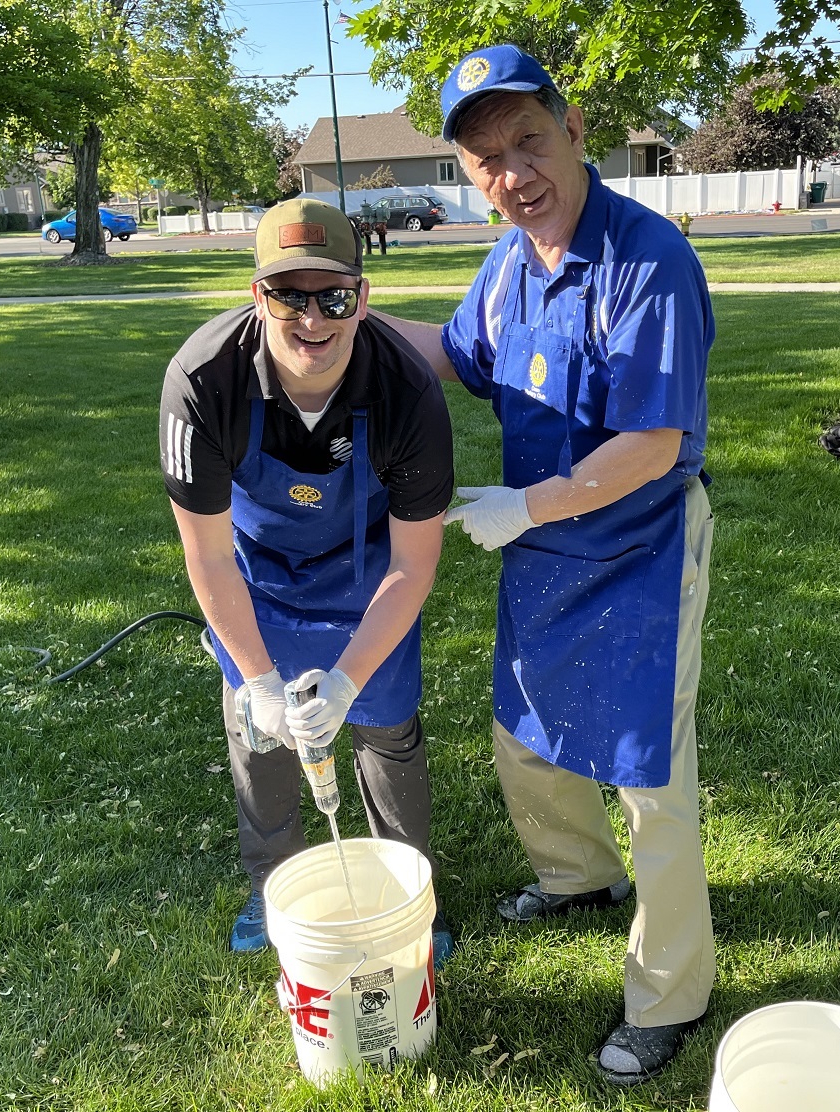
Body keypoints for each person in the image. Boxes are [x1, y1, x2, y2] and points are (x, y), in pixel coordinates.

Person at [371, 44, 715, 1084]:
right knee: (525, 736)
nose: (510, 170)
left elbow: (652, 442)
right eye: (484, 155)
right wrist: (331, 319)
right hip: (541, 543)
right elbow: (452, 355)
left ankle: (673, 992)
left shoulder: (645, 258)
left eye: (525, 138)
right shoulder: (508, 260)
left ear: (570, 127)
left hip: (641, 544)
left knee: (649, 778)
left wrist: (524, 503)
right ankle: (575, 876)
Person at [159, 198, 455, 966]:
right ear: (256, 298)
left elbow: (412, 563)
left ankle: (407, 891)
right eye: (287, 295)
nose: (311, 320)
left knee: (386, 727)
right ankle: (274, 887)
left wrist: (350, 680)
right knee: (260, 734)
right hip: (255, 573)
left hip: (369, 573)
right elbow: (209, 556)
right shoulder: (201, 381)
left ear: (363, 296)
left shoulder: (406, 392)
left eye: (333, 296)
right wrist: (259, 680)